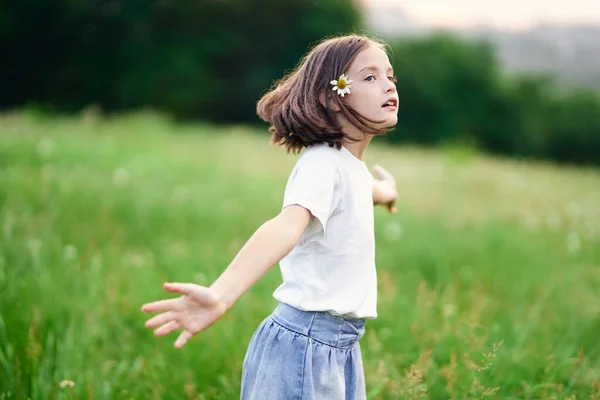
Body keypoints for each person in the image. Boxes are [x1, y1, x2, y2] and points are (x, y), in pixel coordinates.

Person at [141, 33, 399, 399]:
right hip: (305, 347)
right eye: (370, 77)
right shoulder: (323, 165)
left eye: (390, 76)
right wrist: (220, 295)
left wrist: (389, 192)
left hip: (338, 347)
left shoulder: (349, 168)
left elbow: (369, 190)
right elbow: (284, 227)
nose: (388, 84)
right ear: (331, 97)